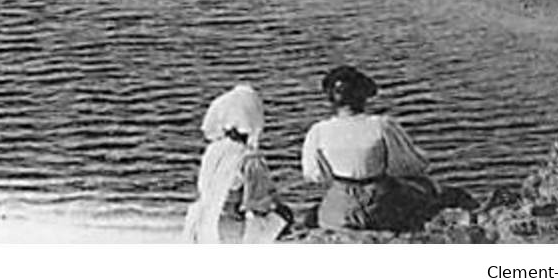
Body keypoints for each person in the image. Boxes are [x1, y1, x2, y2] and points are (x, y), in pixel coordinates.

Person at [302, 65, 438, 233]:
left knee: (316, 211)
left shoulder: (318, 131)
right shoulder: (382, 125)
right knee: (426, 188)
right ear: (364, 96)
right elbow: (410, 165)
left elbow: (314, 175)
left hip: (340, 206)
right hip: (380, 203)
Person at [183, 85, 292, 243]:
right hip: (229, 228)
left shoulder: (213, 150)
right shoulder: (249, 158)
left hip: (201, 220)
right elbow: (259, 202)